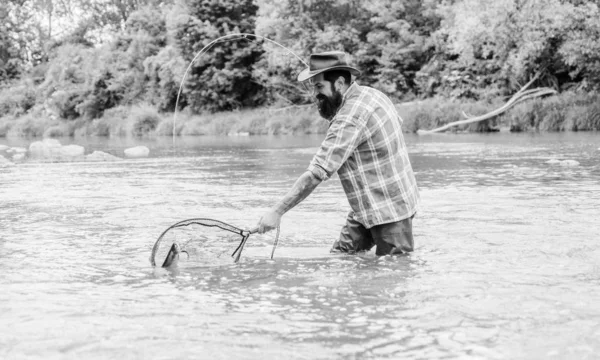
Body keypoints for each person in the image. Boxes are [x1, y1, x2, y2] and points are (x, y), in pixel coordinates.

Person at [255, 51, 420, 255]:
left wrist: (276, 212)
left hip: (391, 213)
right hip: (368, 206)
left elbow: (317, 173)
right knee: (340, 259)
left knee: (394, 273)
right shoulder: (373, 94)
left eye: (319, 86)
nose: (314, 94)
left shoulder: (349, 118)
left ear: (340, 83)